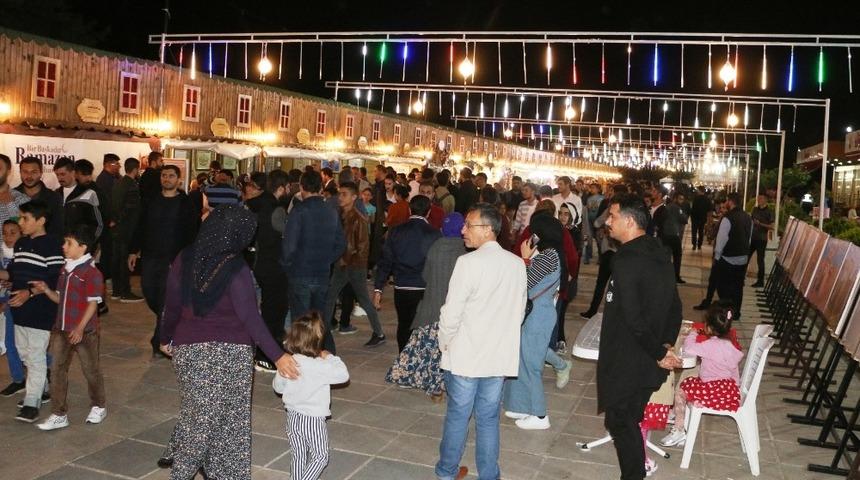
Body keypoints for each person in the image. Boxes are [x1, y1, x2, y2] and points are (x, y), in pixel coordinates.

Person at [159, 205, 298, 480]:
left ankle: (205, 468)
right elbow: (250, 317)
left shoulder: (185, 257)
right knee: (228, 420)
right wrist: (278, 355)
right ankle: (207, 473)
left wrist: (165, 337)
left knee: (199, 415)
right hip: (231, 354)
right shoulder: (236, 268)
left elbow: (171, 305)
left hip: (189, 352)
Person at [435, 203, 527, 480]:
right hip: (497, 357)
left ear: (488, 229)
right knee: (488, 419)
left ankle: (447, 471)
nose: (463, 230)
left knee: (458, 415)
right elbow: (519, 311)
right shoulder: (516, 264)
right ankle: (489, 474)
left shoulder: (468, 263)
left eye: (469, 225)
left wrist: (444, 342)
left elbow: (451, 312)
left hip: (466, 354)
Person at [598, 193, 682, 480]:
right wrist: (665, 345)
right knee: (627, 418)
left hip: (630, 358)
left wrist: (660, 352)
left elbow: (633, 318)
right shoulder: (659, 252)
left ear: (630, 221)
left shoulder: (626, 259)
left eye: (612, 216)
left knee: (620, 419)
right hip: (649, 357)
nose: (608, 222)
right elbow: (675, 306)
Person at [30, 225, 107, 431]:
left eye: (68, 243)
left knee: (90, 370)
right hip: (62, 329)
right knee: (57, 371)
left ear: (83, 247)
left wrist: (80, 328)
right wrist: (46, 290)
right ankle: (59, 414)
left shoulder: (91, 273)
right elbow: (60, 298)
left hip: (85, 332)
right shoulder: (65, 270)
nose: (63, 246)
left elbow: (92, 304)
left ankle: (99, 406)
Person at [386, 213, 467, 400]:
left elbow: (425, 276)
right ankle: (450, 385)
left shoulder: (436, 246)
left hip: (432, 305)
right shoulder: (464, 251)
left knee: (430, 349)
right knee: (451, 350)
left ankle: (432, 385)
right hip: (455, 310)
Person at [503, 214, 567, 430]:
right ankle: (522, 406)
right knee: (522, 360)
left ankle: (540, 416)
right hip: (536, 312)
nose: (531, 237)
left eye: (534, 233)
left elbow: (523, 281)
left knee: (531, 365)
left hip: (538, 315)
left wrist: (524, 258)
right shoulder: (552, 253)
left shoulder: (548, 256)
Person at [1, 200, 64, 423]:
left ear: (41, 221)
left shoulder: (52, 245)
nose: (20, 222)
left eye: (25, 218)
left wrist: (29, 292)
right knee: (25, 353)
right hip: (19, 308)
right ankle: (43, 388)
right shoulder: (21, 244)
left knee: (36, 355)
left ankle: (31, 402)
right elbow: (13, 272)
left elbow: (55, 279)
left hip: (41, 309)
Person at [128, 165, 196, 358]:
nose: (166, 179)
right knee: (149, 292)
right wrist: (133, 250)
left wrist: (186, 259)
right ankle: (167, 320)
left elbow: (192, 233)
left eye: (171, 176)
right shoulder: (151, 200)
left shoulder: (186, 203)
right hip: (150, 256)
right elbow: (140, 226)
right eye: (164, 175)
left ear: (179, 179)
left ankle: (159, 341)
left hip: (173, 259)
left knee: (165, 299)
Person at [273, 312, 349, 480]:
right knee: (320, 457)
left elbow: (278, 388)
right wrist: (329, 356)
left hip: (292, 417)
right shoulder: (320, 366)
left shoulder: (289, 362)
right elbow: (343, 375)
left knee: (298, 455)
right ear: (318, 340)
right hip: (312, 420)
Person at [660, 302, 745, 448]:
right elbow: (734, 371)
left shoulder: (710, 345)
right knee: (690, 380)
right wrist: (736, 389)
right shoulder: (731, 347)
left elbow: (689, 348)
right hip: (728, 391)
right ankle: (677, 413)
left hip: (711, 390)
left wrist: (693, 333)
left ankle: (679, 428)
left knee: (681, 390)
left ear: (709, 328)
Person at [281, 170, 345, 354]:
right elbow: (341, 243)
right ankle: (324, 353)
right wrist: (326, 259)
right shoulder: (331, 210)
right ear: (320, 187)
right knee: (319, 319)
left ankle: (303, 356)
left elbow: (289, 246)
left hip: (300, 272)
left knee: (301, 321)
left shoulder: (299, 210)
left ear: (302, 187)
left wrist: (286, 265)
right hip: (322, 272)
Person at [322, 182, 387, 347]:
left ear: (354, 197)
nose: (340, 197)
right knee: (330, 297)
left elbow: (363, 247)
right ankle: (323, 332)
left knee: (363, 300)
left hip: (353, 266)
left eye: (344, 194)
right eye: (339, 194)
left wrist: (353, 264)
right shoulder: (341, 215)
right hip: (343, 264)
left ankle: (379, 333)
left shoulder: (358, 218)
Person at [374, 195, 442, 351]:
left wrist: (378, 288)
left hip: (402, 286)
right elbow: (437, 265)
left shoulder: (395, 231)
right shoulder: (435, 234)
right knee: (422, 327)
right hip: (424, 288)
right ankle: (418, 358)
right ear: (428, 212)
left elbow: (386, 261)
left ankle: (403, 357)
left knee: (404, 325)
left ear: (410, 210)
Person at [244, 171, 291, 372]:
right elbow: (285, 237)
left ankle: (264, 351)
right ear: (280, 188)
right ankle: (267, 355)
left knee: (267, 309)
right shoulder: (275, 209)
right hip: (273, 265)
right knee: (274, 312)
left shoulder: (254, 205)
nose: (289, 191)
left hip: (258, 263)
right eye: (287, 187)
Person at [694, 193, 752, 314]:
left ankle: (725, 310)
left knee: (723, 286)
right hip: (742, 257)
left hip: (727, 257)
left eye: (727, 201)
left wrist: (717, 257)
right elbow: (749, 237)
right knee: (738, 286)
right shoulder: (747, 217)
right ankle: (736, 312)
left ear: (730, 202)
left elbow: (721, 239)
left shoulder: (728, 218)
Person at [110, 158, 143, 303]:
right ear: (136, 169)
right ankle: (125, 292)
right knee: (125, 260)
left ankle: (116, 291)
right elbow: (132, 210)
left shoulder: (118, 183)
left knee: (116, 259)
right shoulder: (132, 186)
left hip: (116, 228)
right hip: (127, 228)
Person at [0, 220, 25, 397]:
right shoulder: (2, 254)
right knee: (15, 343)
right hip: (5, 298)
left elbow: (25, 280)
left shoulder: (25, 254)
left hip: (17, 301)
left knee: (15, 342)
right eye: (5, 233)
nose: (8, 237)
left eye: (13, 233)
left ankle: (19, 379)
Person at [14, 156, 62, 238]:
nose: (29, 176)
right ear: (20, 172)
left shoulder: (54, 198)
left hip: (45, 245)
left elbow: (57, 230)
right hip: (16, 245)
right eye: (25, 172)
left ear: (41, 173)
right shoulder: (10, 196)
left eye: (34, 172)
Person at [655, 192, 689, 284]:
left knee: (666, 256)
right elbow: (684, 219)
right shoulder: (677, 208)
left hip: (664, 235)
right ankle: (676, 276)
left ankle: (664, 276)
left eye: (682, 199)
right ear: (675, 198)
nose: (681, 201)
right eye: (680, 199)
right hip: (673, 235)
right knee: (677, 256)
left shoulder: (666, 207)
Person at [749, 194, 774, 288]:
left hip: (762, 239)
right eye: (758, 198)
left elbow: (772, 226)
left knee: (760, 260)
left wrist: (760, 224)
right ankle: (740, 277)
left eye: (760, 198)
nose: (758, 200)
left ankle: (760, 281)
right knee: (746, 257)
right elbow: (751, 220)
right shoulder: (755, 209)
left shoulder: (769, 212)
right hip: (753, 237)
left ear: (765, 200)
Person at [689, 187, 713, 251]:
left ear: (700, 191)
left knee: (694, 232)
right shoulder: (707, 199)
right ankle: (699, 245)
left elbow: (693, 208)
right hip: (703, 218)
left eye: (698, 190)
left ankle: (694, 245)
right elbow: (710, 210)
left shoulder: (696, 198)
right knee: (701, 231)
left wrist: (691, 216)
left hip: (695, 218)